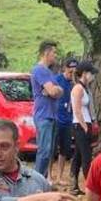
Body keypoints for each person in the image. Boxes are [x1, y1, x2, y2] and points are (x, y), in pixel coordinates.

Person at [31, 41, 64, 177]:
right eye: (54, 52)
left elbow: (59, 92)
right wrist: (53, 90)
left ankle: (42, 180)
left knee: (49, 152)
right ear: (46, 53)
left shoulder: (49, 72)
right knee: (44, 151)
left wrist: (56, 90)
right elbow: (52, 91)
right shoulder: (39, 70)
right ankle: (36, 181)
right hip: (44, 115)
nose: (55, 55)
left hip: (52, 115)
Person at [69, 62, 97, 196]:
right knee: (86, 157)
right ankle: (90, 185)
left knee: (79, 156)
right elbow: (77, 109)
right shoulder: (78, 89)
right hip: (80, 125)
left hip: (85, 123)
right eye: (91, 73)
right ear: (85, 73)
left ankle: (73, 185)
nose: (93, 76)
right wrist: (85, 126)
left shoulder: (86, 89)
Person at [51, 57, 76, 186]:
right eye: (70, 71)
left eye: (74, 71)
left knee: (64, 150)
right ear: (65, 68)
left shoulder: (75, 83)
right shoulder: (57, 80)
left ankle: (59, 177)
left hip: (68, 119)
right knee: (52, 149)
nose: (72, 73)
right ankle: (49, 176)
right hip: (56, 119)